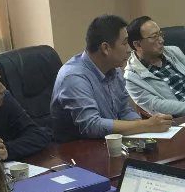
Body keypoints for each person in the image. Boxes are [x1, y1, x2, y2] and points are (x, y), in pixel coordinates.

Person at [51, 14, 173, 142]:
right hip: (77, 149)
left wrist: (145, 135)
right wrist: (146, 125)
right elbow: (92, 125)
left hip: (108, 144)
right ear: (105, 48)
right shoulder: (74, 77)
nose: (129, 50)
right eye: (125, 43)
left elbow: (124, 111)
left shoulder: (114, 69)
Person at [124, 16, 185, 116]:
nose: (161, 40)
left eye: (160, 34)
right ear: (137, 45)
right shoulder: (131, 78)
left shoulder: (173, 51)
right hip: (184, 119)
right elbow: (158, 106)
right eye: (154, 37)